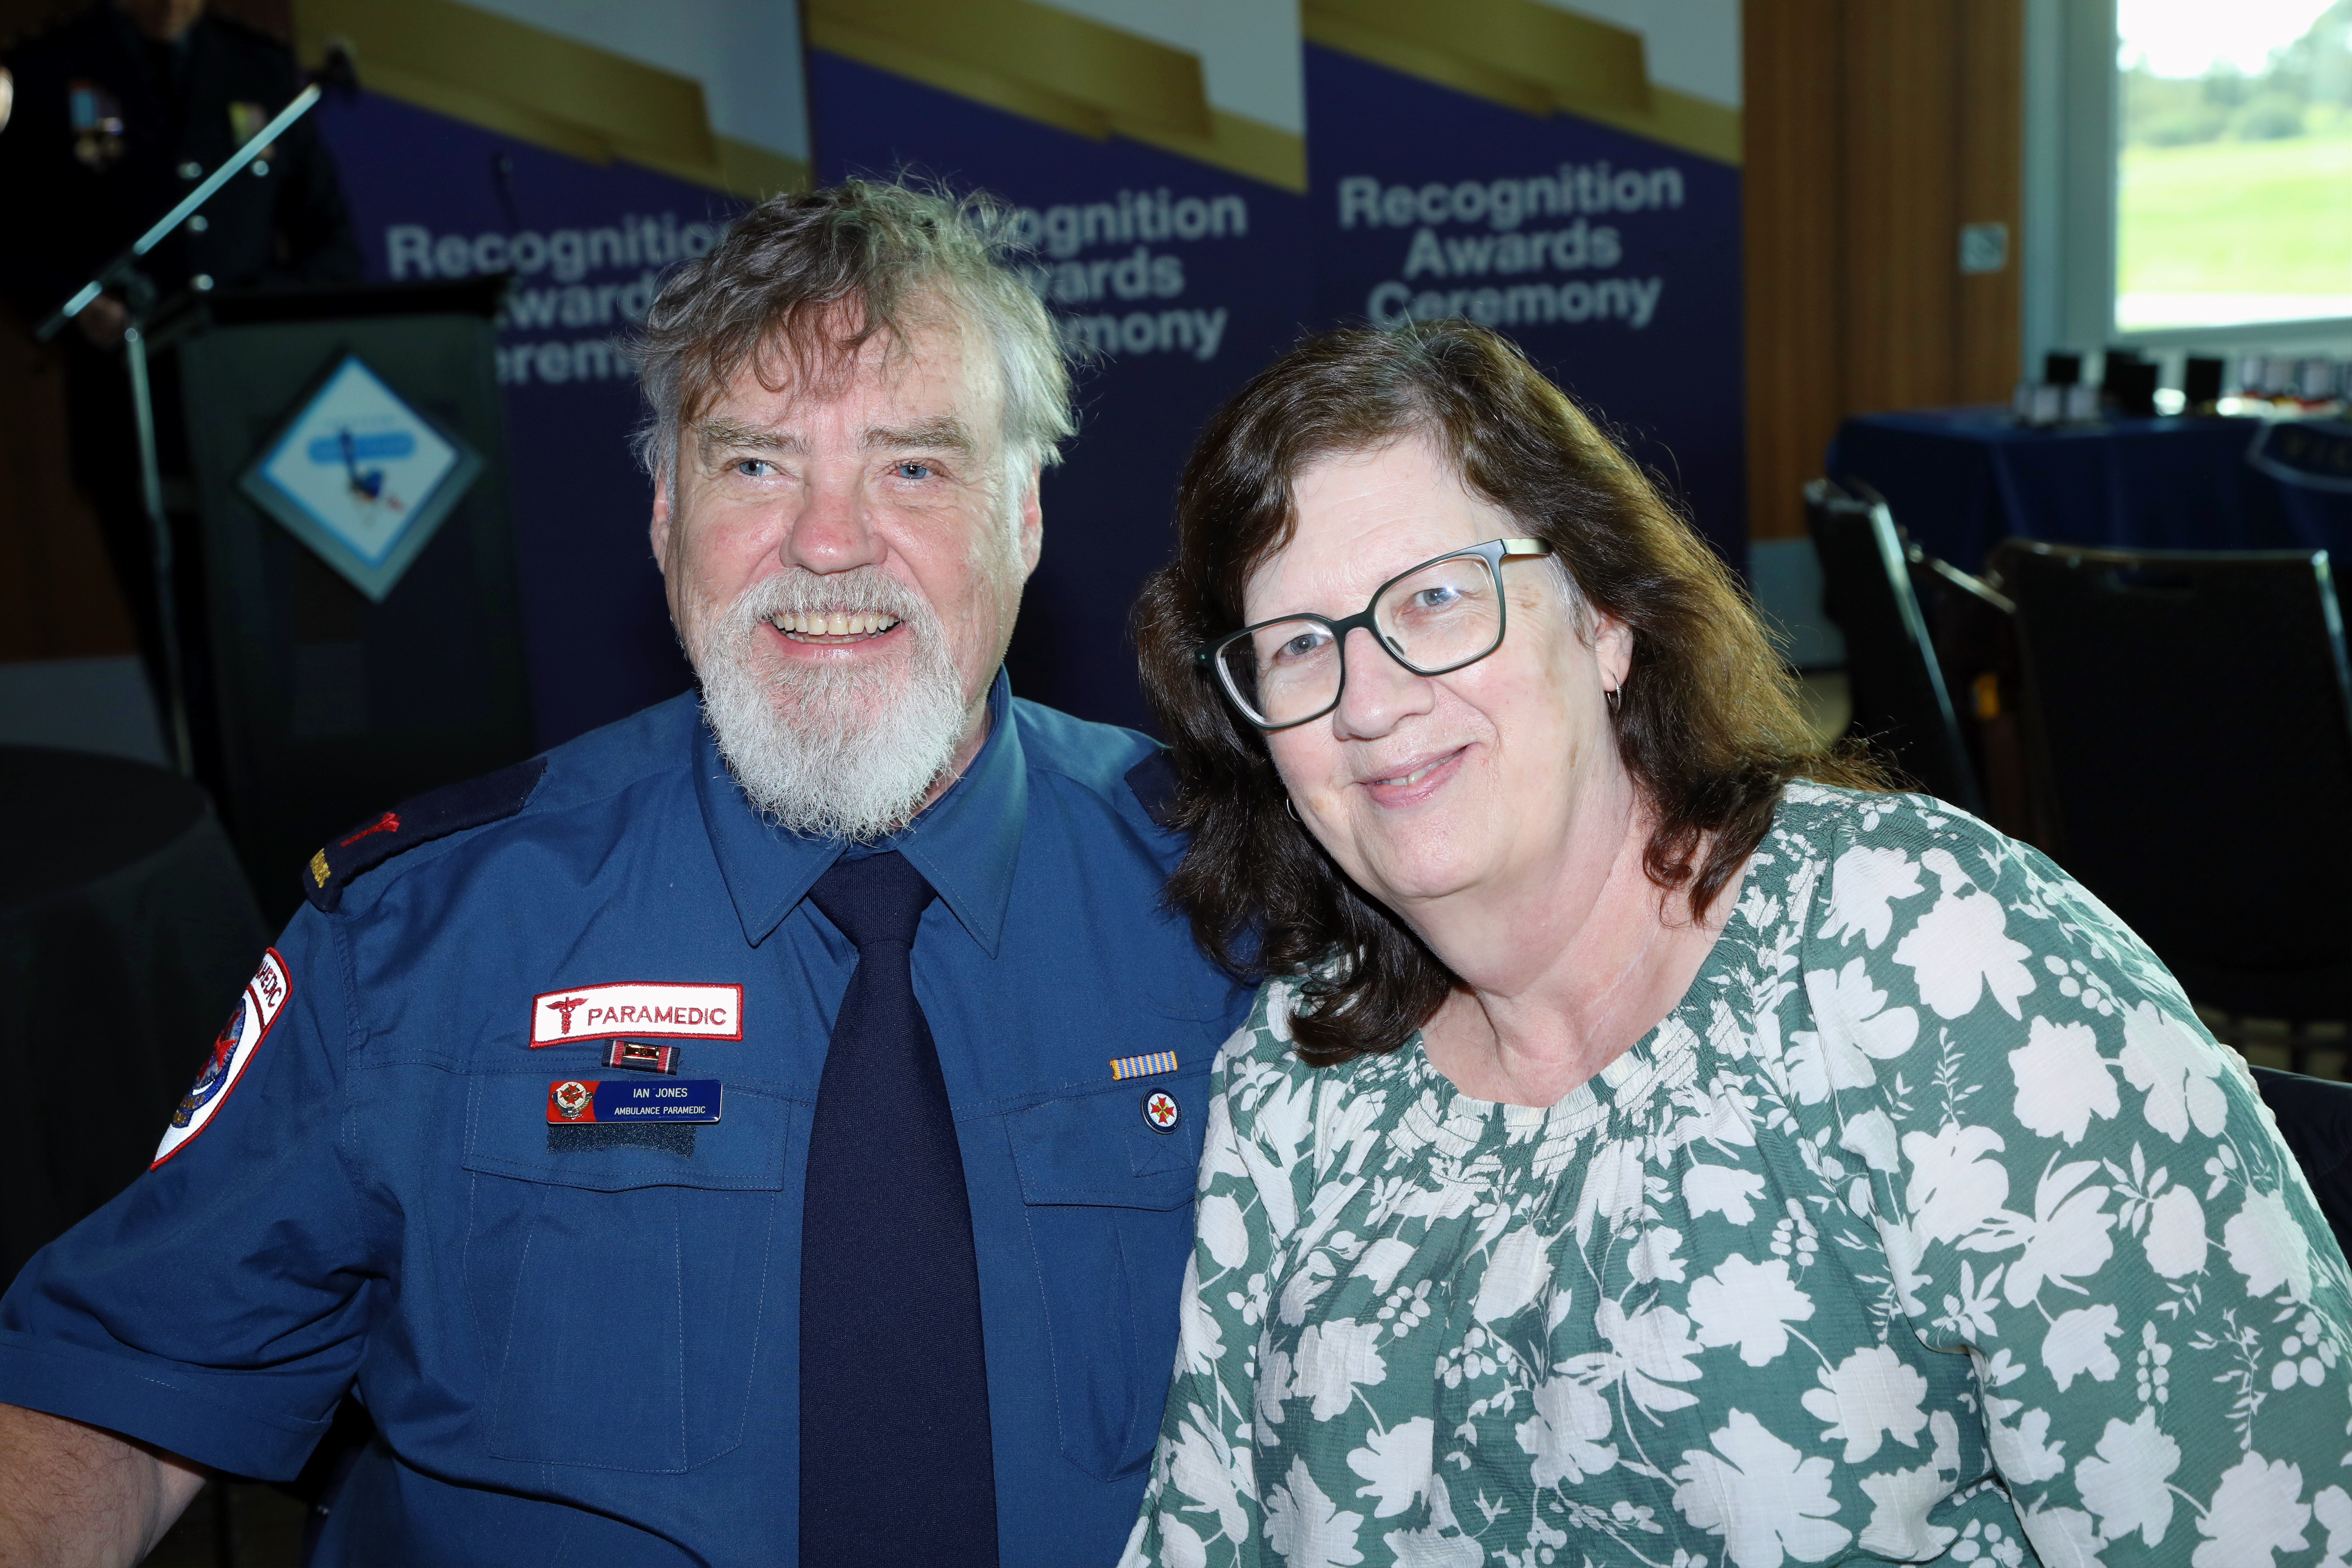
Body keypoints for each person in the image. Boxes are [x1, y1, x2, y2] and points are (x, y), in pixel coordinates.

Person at [0, 181, 1248, 1567]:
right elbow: (97, 1394)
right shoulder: (426, 938)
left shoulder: (1247, 914)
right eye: (757, 465)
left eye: (913, 466)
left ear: (1023, 514)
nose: (828, 544)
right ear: (665, 517)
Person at [1121, 321, 2352, 1567]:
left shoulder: (1929, 964)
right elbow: (1202, 1534)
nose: (1371, 701)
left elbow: (2257, 1524)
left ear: (1606, 619)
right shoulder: (1298, 1075)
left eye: (1437, 599)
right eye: (1297, 647)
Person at [0, 0, 360, 715]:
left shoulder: (257, 67)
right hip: (132, 408)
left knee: (267, 634)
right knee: (177, 638)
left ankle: (280, 812)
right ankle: (208, 810)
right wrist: (78, 307)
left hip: (257, 412)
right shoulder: (49, 70)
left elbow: (335, 247)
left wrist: (249, 309)